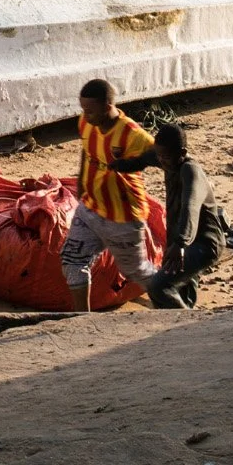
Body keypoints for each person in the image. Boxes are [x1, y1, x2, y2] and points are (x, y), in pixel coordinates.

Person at [109, 122, 233, 309]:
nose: (161, 161)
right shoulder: (166, 159)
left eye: (165, 157)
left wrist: (181, 243)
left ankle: (185, 323)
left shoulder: (191, 172)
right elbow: (142, 160)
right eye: (159, 156)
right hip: (179, 241)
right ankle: (182, 324)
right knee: (181, 288)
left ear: (182, 153)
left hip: (204, 244)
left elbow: (189, 208)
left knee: (159, 287)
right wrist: (120, 165)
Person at [60, 79, 157, 314]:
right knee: (72, 261)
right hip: (90, 209)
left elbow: (166, 159)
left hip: (122, 217)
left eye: (90, 110)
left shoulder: (133, 135)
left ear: (108, 106)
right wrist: (82, 184)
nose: (86, 115)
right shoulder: (85, 123)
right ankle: (81, 318)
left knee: (137, 271)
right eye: (83, 109)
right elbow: (86, 152)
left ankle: (175, 299)